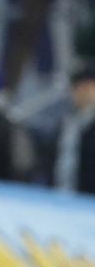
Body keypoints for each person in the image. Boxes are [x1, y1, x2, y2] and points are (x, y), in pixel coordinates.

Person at [53, 66, 95, 194]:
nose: (83, 92)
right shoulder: (67, 123)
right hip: (63, 194)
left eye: (88, 88)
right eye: (78, 88)